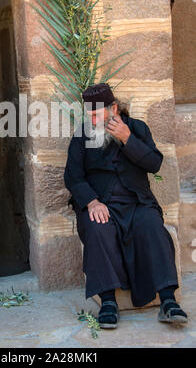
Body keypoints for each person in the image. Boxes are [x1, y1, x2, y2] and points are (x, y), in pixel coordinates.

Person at [64, 82, 188, 328]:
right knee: (98, 227)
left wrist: (127, 139)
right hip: (102, 205)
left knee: (152, 225)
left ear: (114, 108)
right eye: (89, 114)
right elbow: (73, 177)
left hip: (137, 203)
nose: (93, 119)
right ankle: (108, 301)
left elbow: (154, 163)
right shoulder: (82, 136)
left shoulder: (137, 129)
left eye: (97, 113)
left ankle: (167, 300)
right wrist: (92, 202)